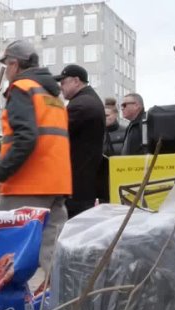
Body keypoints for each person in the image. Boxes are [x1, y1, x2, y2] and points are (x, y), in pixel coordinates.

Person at [0, 40, 72, 274]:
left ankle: (9, 307)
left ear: (14, 64)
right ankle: (62, 304)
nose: (5, 72)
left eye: (6, 65)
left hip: (27, 184)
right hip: (57, 184)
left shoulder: (22, 88)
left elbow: (26, 138)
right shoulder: (53, 96)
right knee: (52, 255)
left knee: (9, 256)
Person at [54, 64, 105, 218]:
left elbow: (57, 135)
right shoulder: (88, 100)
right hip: (83, 182)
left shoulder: (81, 105)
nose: (61, 87)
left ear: (76, 81)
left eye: (63, 82)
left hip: (77, 184)